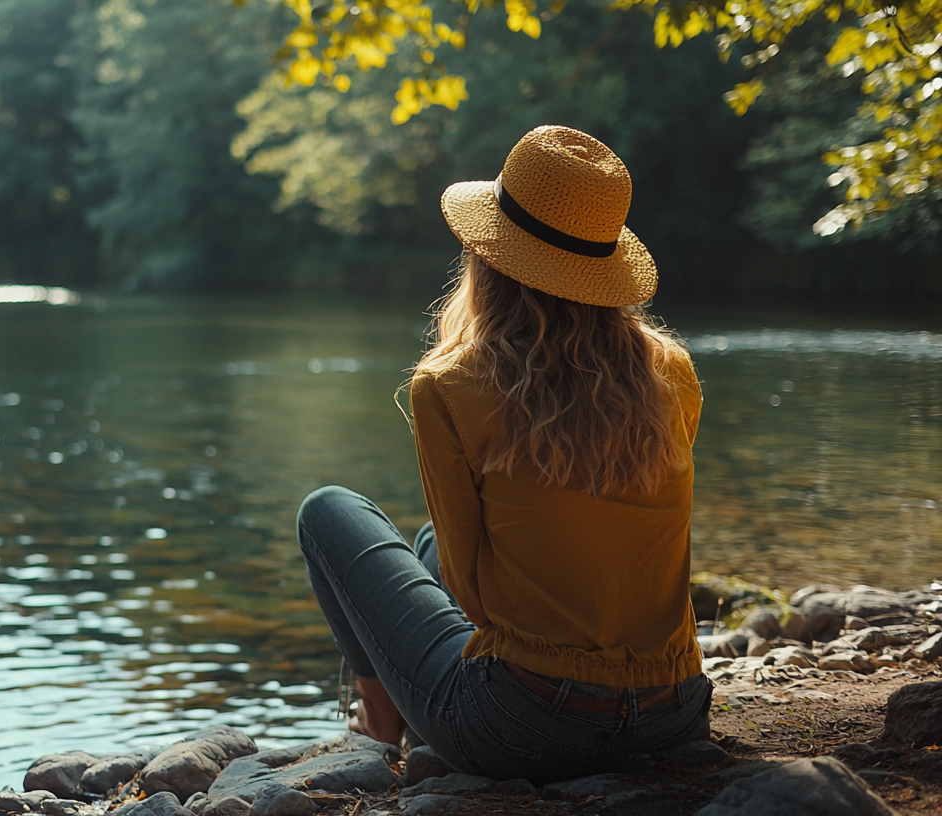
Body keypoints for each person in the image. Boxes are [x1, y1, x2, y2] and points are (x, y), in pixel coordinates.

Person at [296, 125, 711, 783]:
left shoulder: (449, 385)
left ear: (488, 256)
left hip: (527, 728)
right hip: (674, 711)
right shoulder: (672, 372)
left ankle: (379, 724)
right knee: (431, 539)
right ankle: (391, 717)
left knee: (328, 513)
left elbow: (470, 594)